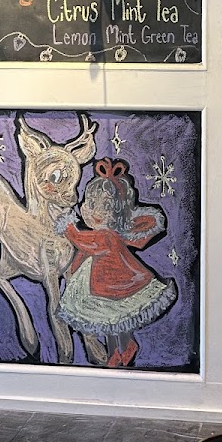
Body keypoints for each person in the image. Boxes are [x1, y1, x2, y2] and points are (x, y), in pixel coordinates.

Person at [56, 157, 177, 367]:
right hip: (100, 285)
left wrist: (68, 227)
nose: (96, 212)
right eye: (91, 204)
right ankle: (116, 353)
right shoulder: (103, 234)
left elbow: (84, 243)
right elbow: (83, 253)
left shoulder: (106, 236)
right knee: (108, 322)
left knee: (117, 319)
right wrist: (74, 269)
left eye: (106, 207)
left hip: (116, 285)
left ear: (117, 212)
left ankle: (126, 347)